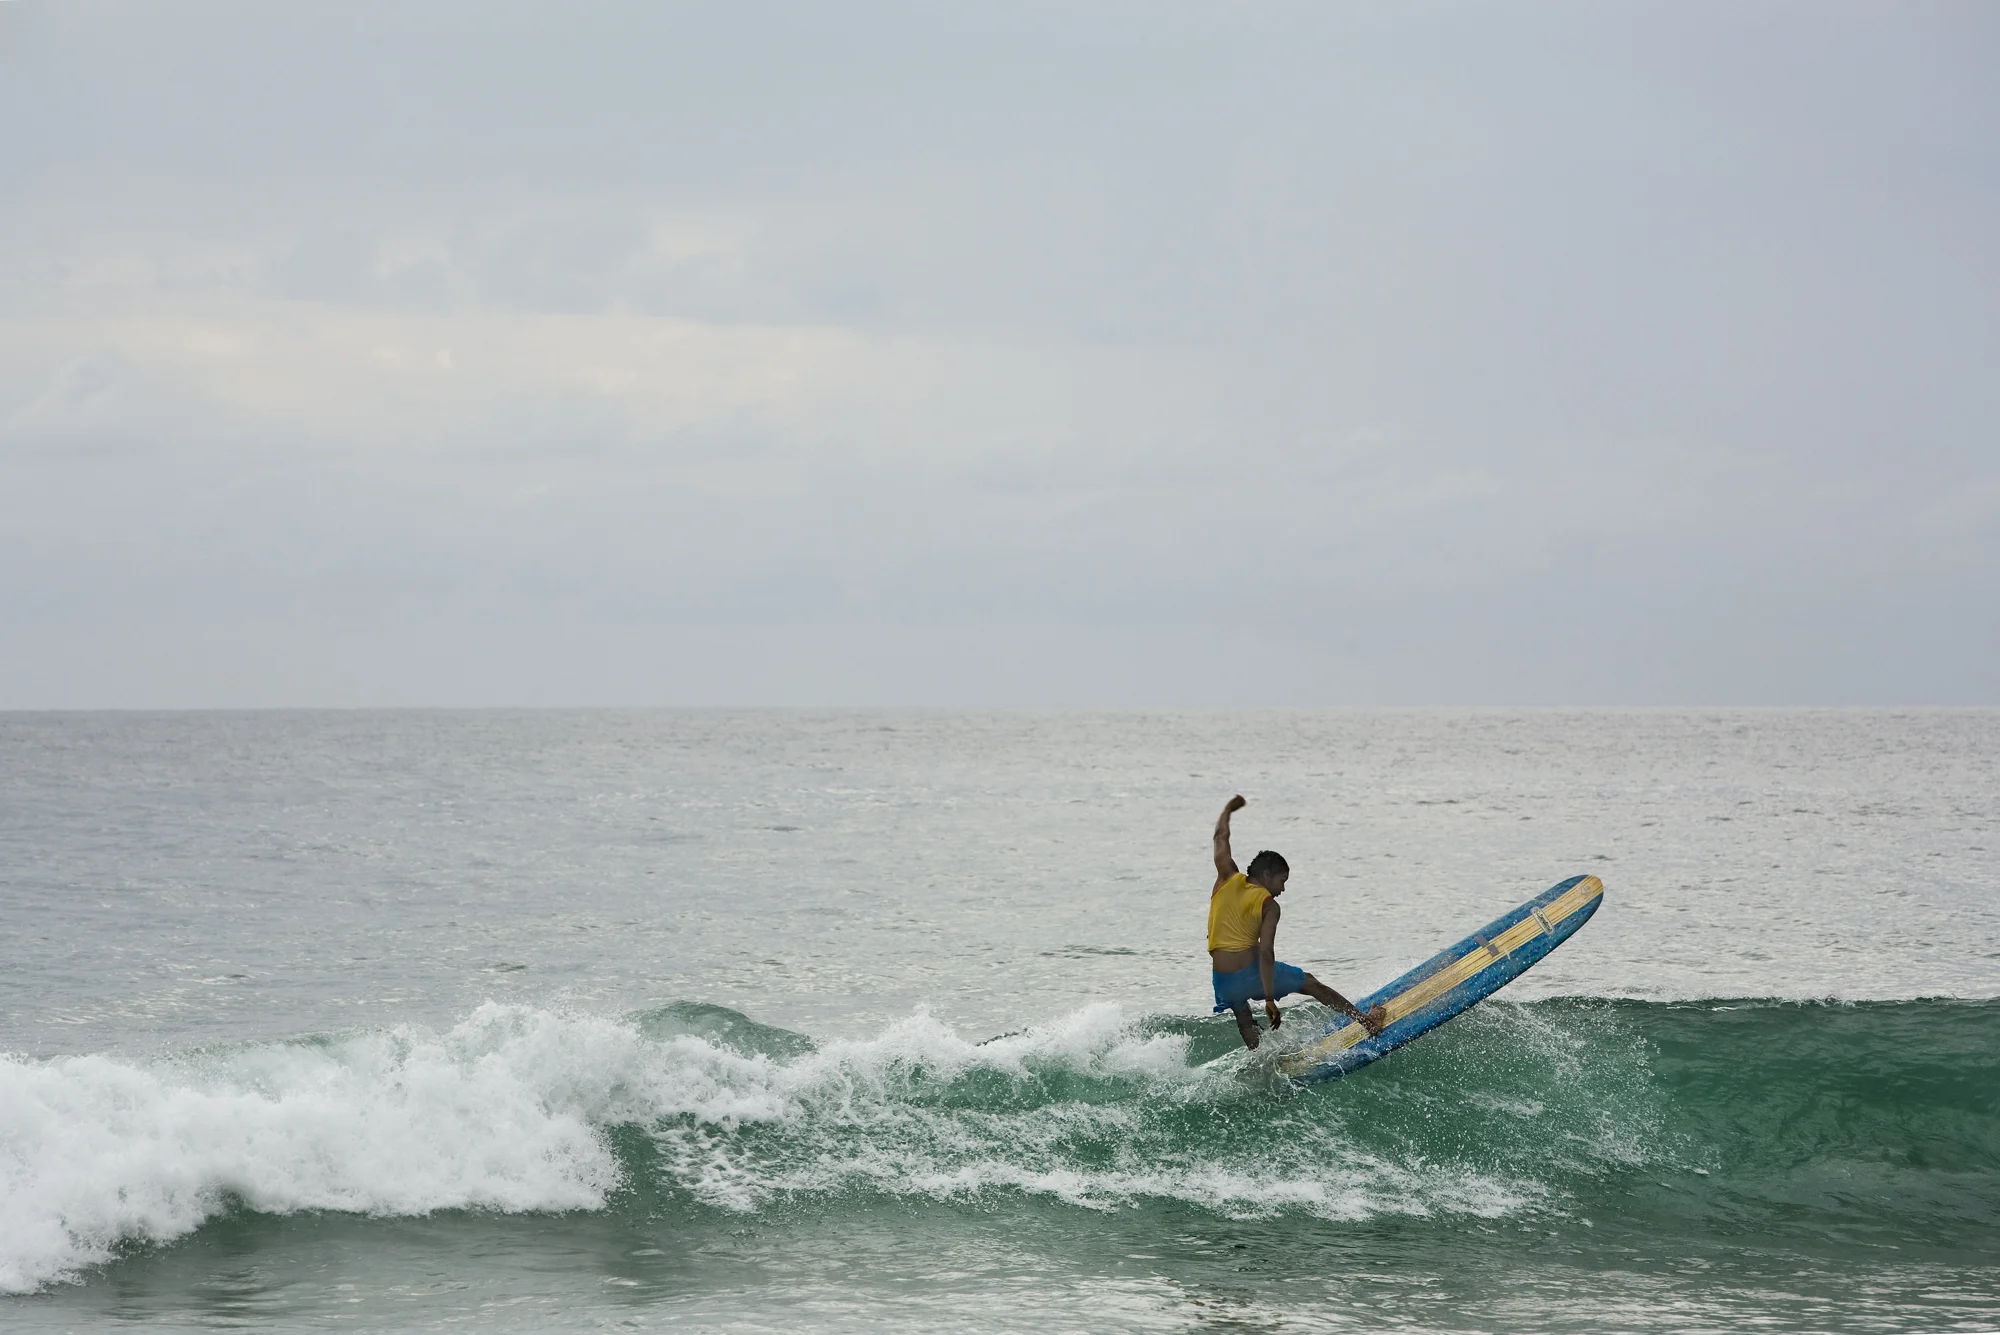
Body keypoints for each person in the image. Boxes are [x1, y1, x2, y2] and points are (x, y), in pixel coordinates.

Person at [1207, 794, 1386, 1050]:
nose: (1282, 889)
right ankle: (1368, 1023)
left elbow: (1219, 838)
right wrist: (1269, 999)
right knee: (1311, 983)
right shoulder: (1269, 905)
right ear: (1267, 875)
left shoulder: (1225, 876)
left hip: (1221, 979)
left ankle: (1261, 1061)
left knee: (1244, 1016)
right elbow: (1267, 952)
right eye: (1282, 881)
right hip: (1249, 974)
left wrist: (1227, 810)